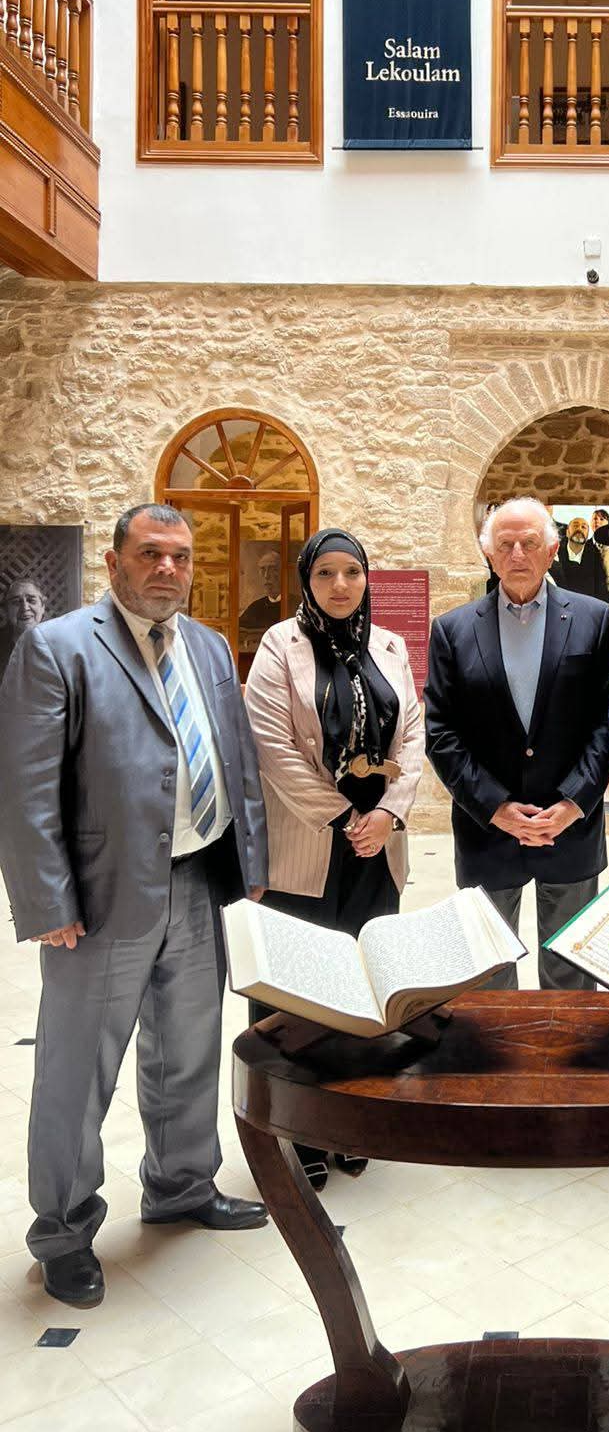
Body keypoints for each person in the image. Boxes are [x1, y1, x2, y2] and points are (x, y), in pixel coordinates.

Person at [0, 504, 269, 1309]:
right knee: (77, 1071)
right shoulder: (58, 648)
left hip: (198, 881)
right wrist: (47, 899)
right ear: (114, 564)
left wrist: (250, 863)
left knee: (187, 1051)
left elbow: (236, 759)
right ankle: (63, 1230)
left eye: (180, 556)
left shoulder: (210, 647)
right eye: (150, 554)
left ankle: (182, 1186)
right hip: (100, 895)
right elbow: (25, 787)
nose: (167, 569)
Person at [244, 527, 423, 1190]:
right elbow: (272, 748)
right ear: (306, 580)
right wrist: (346, 816)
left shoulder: (390, 645)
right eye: (326, 573)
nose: (341, 585)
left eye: (352, 571)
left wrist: (387, 815)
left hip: (376, 849)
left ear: (367, 578)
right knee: (299, 992)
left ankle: (348, 1118)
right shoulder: (279, 645)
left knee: (363, 988)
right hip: (309, 845)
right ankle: (294, 1128)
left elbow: (412, 736)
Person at [424, 497, 609, 988]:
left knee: (571, 978)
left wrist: (573, 803)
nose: (517, 554)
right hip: (487, 831)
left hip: (569, 828)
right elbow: (441, 732)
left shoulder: (595, 619)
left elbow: (608, 723)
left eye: (529, 543)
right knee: (488, 977)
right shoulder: (452, 630)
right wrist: (495, 808)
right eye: (505, 544)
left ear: (551, 550)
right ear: (487, 553)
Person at [0, 576, 47, 679]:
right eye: (16, 602)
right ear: (5, 610)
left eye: (31, 600)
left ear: (42, 607)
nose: (25, 608)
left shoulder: (59, 644)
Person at [551, 515, 606, 599]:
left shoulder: (597, 556)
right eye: (575, 526)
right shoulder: (554, 552)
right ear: (567, 532)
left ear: (588, 535)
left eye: (583, 527)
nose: (579, 529)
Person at [239, 547, 283, 637]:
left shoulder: (295, 604)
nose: (266, 576)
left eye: (272, 569)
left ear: (283, 572)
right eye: (263, 570)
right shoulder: (255, 607)